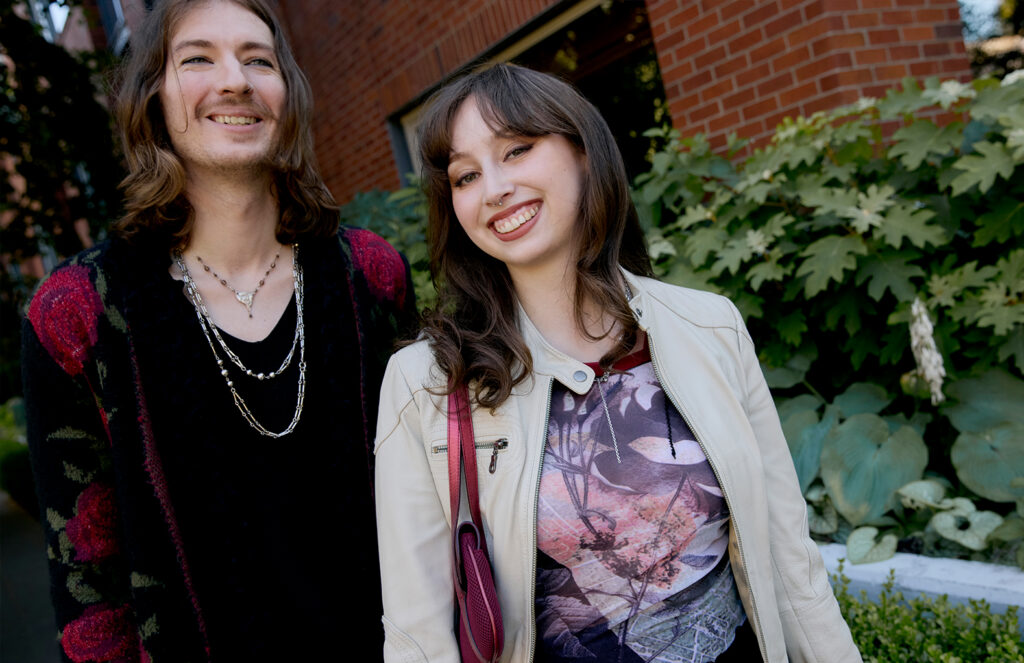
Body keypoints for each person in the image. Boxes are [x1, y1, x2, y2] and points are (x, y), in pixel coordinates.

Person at [373, 64, 861, 663]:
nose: (494, 187)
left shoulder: (708, 326)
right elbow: (417, 634)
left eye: (517, 150)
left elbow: (792, 560)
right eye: (466, 175)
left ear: (584, 154)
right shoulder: (426, 383)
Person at [22, 1, 413, 660]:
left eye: (258, 60)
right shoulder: (77, 313)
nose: (235, 80)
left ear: (285, 95)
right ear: (153, 99)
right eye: (198, 58)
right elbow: (89, 593)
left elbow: (430, 494)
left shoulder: (370, 274)